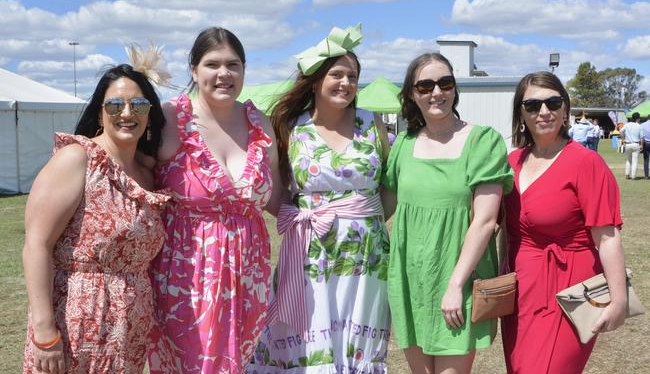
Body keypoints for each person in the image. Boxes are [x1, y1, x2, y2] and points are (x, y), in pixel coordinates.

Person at [247, 24, 392, 373]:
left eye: (353, 76)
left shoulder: (372, 124)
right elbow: (277, 189)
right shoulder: (290, 127)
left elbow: (388, 186)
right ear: (315, 81)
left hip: (365, 255)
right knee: (310, 337)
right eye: (337, 74)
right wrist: (302, 216)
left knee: (357, 342)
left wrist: (360, 219)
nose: (346, 83)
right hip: (309, 250)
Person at [22, 57, 170, 374]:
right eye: (115, 104)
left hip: (130, 330)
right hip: (77, 323)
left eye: (138, 105)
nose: (127, 113)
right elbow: (37, 245)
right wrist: (44, 330)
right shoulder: (77, 158)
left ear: (150, 113)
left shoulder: (147, 171)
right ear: (101, 112)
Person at [148, 27, 282, 373]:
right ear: (194, 70)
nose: (224, 74)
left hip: (249, 277)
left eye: (233, 65)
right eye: (212, 64)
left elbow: (278, 199)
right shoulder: (168, 119)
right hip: (185, 279)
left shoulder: (260, 124)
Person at [381, 53, 513, 374]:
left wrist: (455, 285)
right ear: (412, 94)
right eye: (425, 85)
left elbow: (484, 222)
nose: (436, 92)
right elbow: (381, 208)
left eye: (445, 83)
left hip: (459, 280)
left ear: (455, 90)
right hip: (410, 281)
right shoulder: (402, 145)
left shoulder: (483, 141)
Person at [502, 71, 627, 373]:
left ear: (566, 109)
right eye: (532, 105)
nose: (543, 112)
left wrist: (619, 299)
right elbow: (496, 226)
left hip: (572, 290)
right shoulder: (511, 163)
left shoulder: (586, 163)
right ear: (521, 113)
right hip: (521, 291)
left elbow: (607, 237)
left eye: (553, 102)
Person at [621, 112, 642, 180]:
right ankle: (633, 176)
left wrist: (623, 140)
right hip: (636, 144)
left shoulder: (627, 125)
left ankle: (627, 174)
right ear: (637, 119)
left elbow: (621, 131)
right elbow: (642, 137)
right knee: (635, 161)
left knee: (628, 160)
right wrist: (641, 145)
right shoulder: (639, 126)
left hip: (628, 144)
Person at [641, 114, 650, 179]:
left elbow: (641, 136)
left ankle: (646, 175)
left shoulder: (642, 125)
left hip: (645, 143)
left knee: (646, 160)